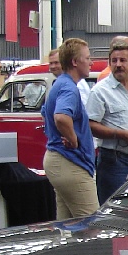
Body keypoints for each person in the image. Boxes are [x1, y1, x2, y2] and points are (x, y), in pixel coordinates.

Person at [88, 39, 128, 203]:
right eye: (114, 61)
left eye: (123, 60)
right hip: (113, 162)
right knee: (113, 209)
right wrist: (122, 135)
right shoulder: (100, 91)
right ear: (109, 63)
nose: (118, 65)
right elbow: (90, 125)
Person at [42, 38, 98, 219]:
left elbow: (46, 113)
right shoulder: (69, 88)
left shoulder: (60, 84)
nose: (91, 62)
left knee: (67, 225)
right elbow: (61, 117)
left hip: (60, 162)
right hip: (70, 163)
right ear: (75, 61)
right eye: (87, 58)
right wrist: (74, 139)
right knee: (91, 226)